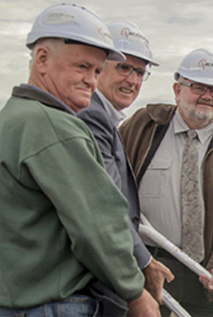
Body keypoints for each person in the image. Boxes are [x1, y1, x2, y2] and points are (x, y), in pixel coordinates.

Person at [0, 3, 159, 317]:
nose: (91, 80)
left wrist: (29, 229)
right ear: (42, 59)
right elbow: (97, 222)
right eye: (82, 67)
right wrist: (134, 292)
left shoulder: (11, 118)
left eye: (97, 71)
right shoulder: (55, 126)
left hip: (13, 306)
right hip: (57, 305)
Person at [119, 48, 213, 317]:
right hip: (148, 269)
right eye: (198, 87)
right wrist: (138, 261)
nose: (208, 96)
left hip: (212, 278)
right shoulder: (142, 126)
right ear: (177, 89)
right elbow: (113, 194)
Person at [77, 21, 174, 303]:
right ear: (99, 66)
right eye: (123, 68)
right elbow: (105, 205)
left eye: (140, 72)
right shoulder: (91, 116)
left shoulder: (106, 119)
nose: (132, 80)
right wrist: (144, 262)